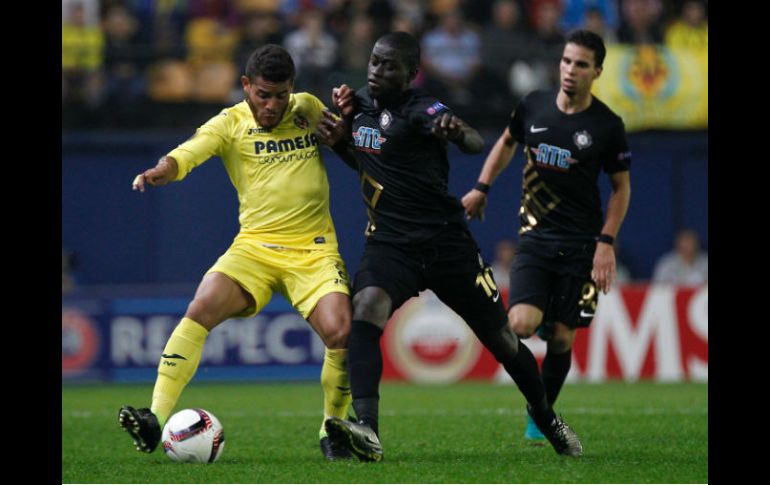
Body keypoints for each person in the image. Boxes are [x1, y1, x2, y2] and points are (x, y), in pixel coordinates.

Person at [317, 31, 583, 462]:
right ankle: (368, 428)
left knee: (501, 339)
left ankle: (546, 415)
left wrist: (456, 133)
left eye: (389, 65)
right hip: (390, 245)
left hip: (446, 244)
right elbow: (371, 161)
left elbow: (474, 140)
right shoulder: (359, 104)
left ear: (411, 73)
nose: (377, 70)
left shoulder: (423, 109)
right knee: (365, 308)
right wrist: (341, 143)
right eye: (374, 61)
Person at [118, 44, 356, 461]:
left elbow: (345, 139)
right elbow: (187, 155)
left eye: (280, 95)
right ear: (246, 86)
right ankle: (155, 417)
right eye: (263, 95)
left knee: (341, 331)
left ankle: (331, 430)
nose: (272, 105)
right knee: (202, 305)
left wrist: (347, 119)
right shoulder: (229, 123)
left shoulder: (307, 108)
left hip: (314, 253)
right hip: (255, 249)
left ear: (292, 90)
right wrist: (161, 171)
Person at [461, 29, 632, 442]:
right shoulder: (533, 106)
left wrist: (606, 244)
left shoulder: (607, 126)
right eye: (567, 61)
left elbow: (622, 188)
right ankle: (539, 373)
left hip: (582, 244)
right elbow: (505, 143)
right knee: (519, 325)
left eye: (581, 65)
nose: (570, 70)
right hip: (536, 237)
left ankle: (540, 416)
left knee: (560, 337)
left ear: (597, 72)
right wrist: (482, 187)